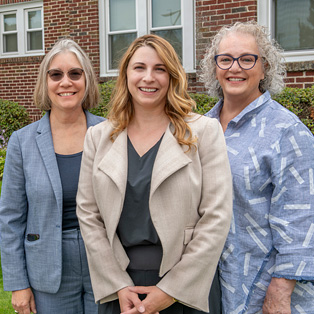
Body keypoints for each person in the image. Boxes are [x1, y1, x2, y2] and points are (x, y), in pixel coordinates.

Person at [76, 34, 232, 314]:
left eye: (160, 69)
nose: (149, 77)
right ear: (126, 75)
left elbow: (217, 217)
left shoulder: (204, 132)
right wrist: (118, 284)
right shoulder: (97, 138)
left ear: (172, 76)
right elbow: (88, 214)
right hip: (121, 290)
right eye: (139, 68)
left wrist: (171, 290)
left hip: (186, 289)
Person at [201, 21, 314, 314]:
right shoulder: (201, 127)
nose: (234, 67)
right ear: (215, 68)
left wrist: (280, 291)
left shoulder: (287, 131)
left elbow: (302, 219)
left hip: (264, 287)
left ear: (264, 68)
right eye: (225, 59)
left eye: (247, 59)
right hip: (212, 283)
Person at [0, 38, 104, 314]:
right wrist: (17, 283)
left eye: (75, 73)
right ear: (45, 83)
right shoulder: (22, 142)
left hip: (106, 265)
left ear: (87, 80)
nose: (65, 82)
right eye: (55, 74)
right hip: (46, 269)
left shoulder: (110, 133)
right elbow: (10, 217)